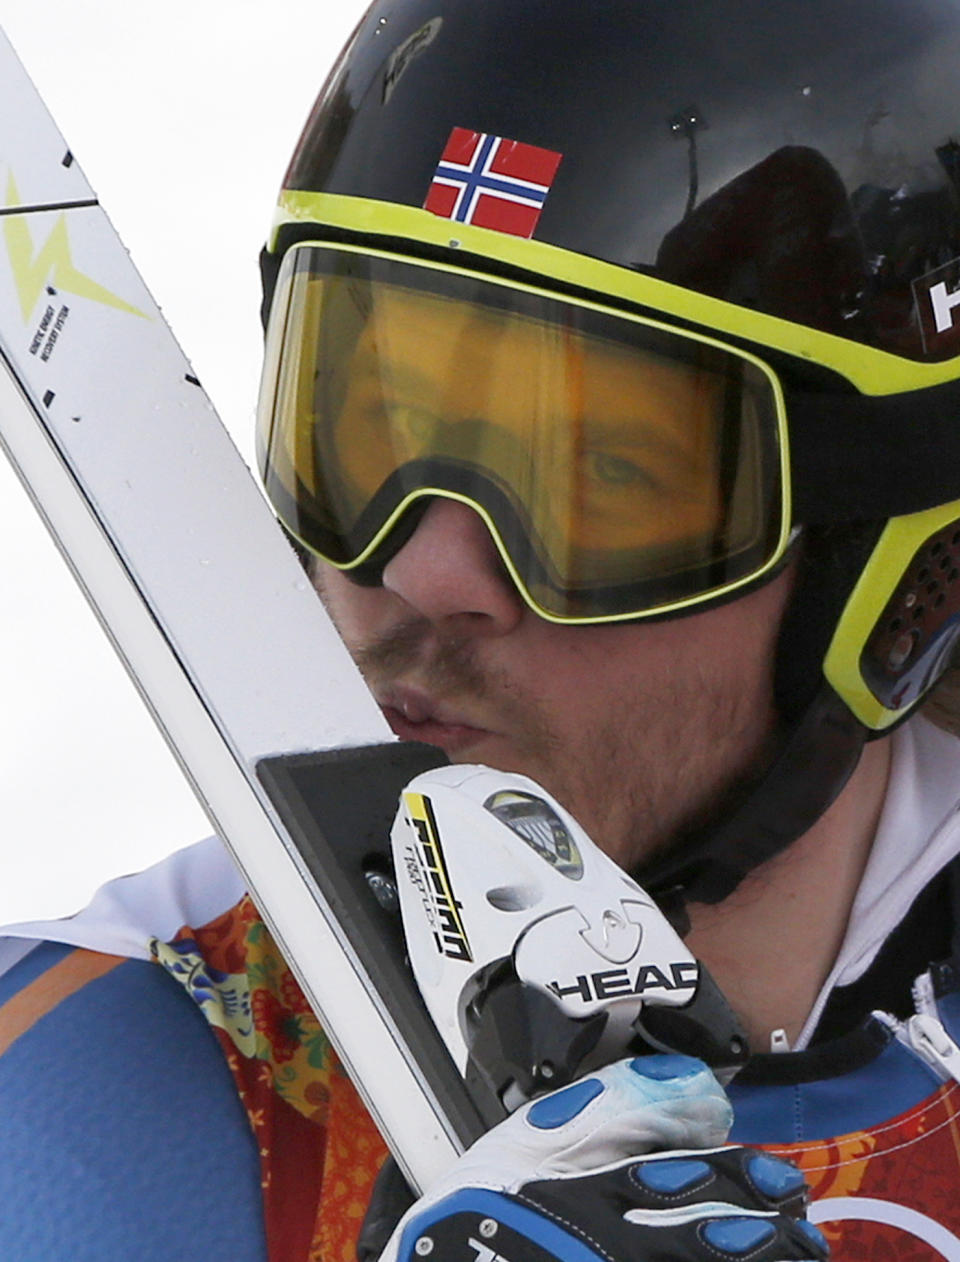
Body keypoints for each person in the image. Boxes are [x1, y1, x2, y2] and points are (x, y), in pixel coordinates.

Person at [5, 0, 960, 1257]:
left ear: (888, 579)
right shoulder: (73, 1106)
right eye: (370, 432)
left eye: (602, 475)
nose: (425, 567)